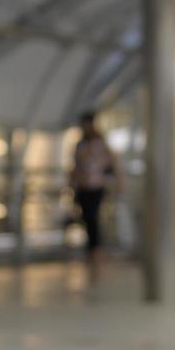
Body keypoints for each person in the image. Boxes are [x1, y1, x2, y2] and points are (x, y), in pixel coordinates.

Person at [69, 108, 123, 282]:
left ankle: (96, 251)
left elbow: (112, 163)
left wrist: (119, 181)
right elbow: (76, 166)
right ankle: (92, 250)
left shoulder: (100, 143)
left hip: (96, 187)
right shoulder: (80, 144)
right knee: (87, 218)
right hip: (83, 187)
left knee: (93, 217)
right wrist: (72, 184)